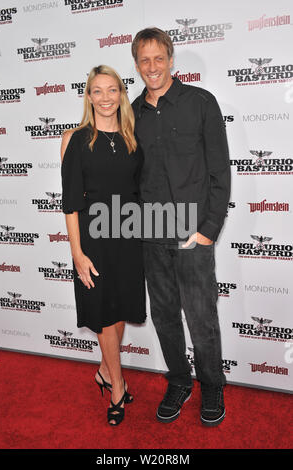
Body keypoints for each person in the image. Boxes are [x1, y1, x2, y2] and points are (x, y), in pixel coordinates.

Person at [131, 28, 231, 426]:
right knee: (165, 315)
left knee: (201, 317)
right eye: (144, 60)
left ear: (171, 59)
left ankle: (211, 385)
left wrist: (209, 228)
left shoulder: (201, 103)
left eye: (159, 58)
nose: (152, 67)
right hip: (150, 233)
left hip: (193, 233)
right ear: (136, 64)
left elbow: (220, 171)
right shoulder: (131, 112)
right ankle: (178, 381)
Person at [61, 65, 146, 426]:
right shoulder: (75, 138)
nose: (106, 97)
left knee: (121, 309)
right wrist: (77, 253)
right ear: (89, 96)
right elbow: (70, 203)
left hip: (128, 237)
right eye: (98, 90)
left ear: (121, 94)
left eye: (112, 90)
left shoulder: (133, 137)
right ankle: (116, 386)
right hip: (93, 240)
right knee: (104, 316)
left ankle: (103, 371)